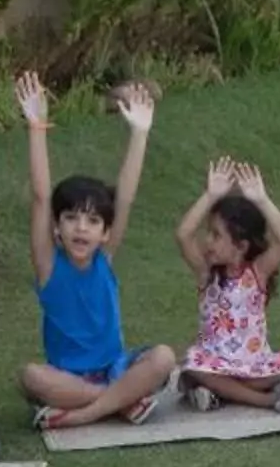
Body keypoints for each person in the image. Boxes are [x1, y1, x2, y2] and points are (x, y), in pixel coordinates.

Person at [16, 72, 177, 431]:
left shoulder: (104, 257)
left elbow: (125, 197)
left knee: (164, 357)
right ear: (56, 227)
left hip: (114, 369)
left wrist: (139, 133)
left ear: (105, 232)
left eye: (91, 221)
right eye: (71, 219)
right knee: (31, 377)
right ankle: (123, 401)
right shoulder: (48, 265)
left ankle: (85, 414)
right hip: (69, 378)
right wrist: (37, 126)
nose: (81, 228)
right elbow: (42, 197)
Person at [174, 157, 280, 414]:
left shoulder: (258, 273)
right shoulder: (207, 272)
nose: (208, 241)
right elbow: (183, 234)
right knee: (196, 365)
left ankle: (214, 391)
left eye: (217, 235)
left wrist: (261, 199)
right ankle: (265, 400)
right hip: (213, 362)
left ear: (241, 246)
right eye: (209, 232)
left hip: (252, 364)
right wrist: (210, 196)